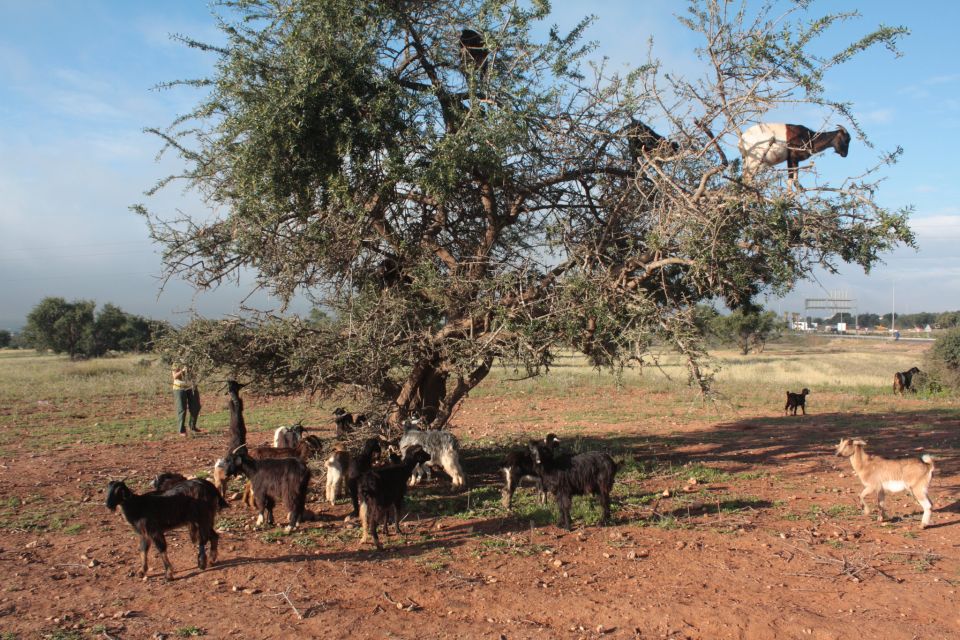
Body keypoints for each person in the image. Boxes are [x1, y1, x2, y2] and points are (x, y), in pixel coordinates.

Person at [172, 363, 201, 436]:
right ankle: (181, 430)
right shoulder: (176, 362)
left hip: (191, 387)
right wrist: (183, 370)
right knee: (182, 409)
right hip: (179, 388)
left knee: (196, 407)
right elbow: (175, 376)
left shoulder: (194, 360)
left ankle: (192, 426)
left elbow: (196, 374)